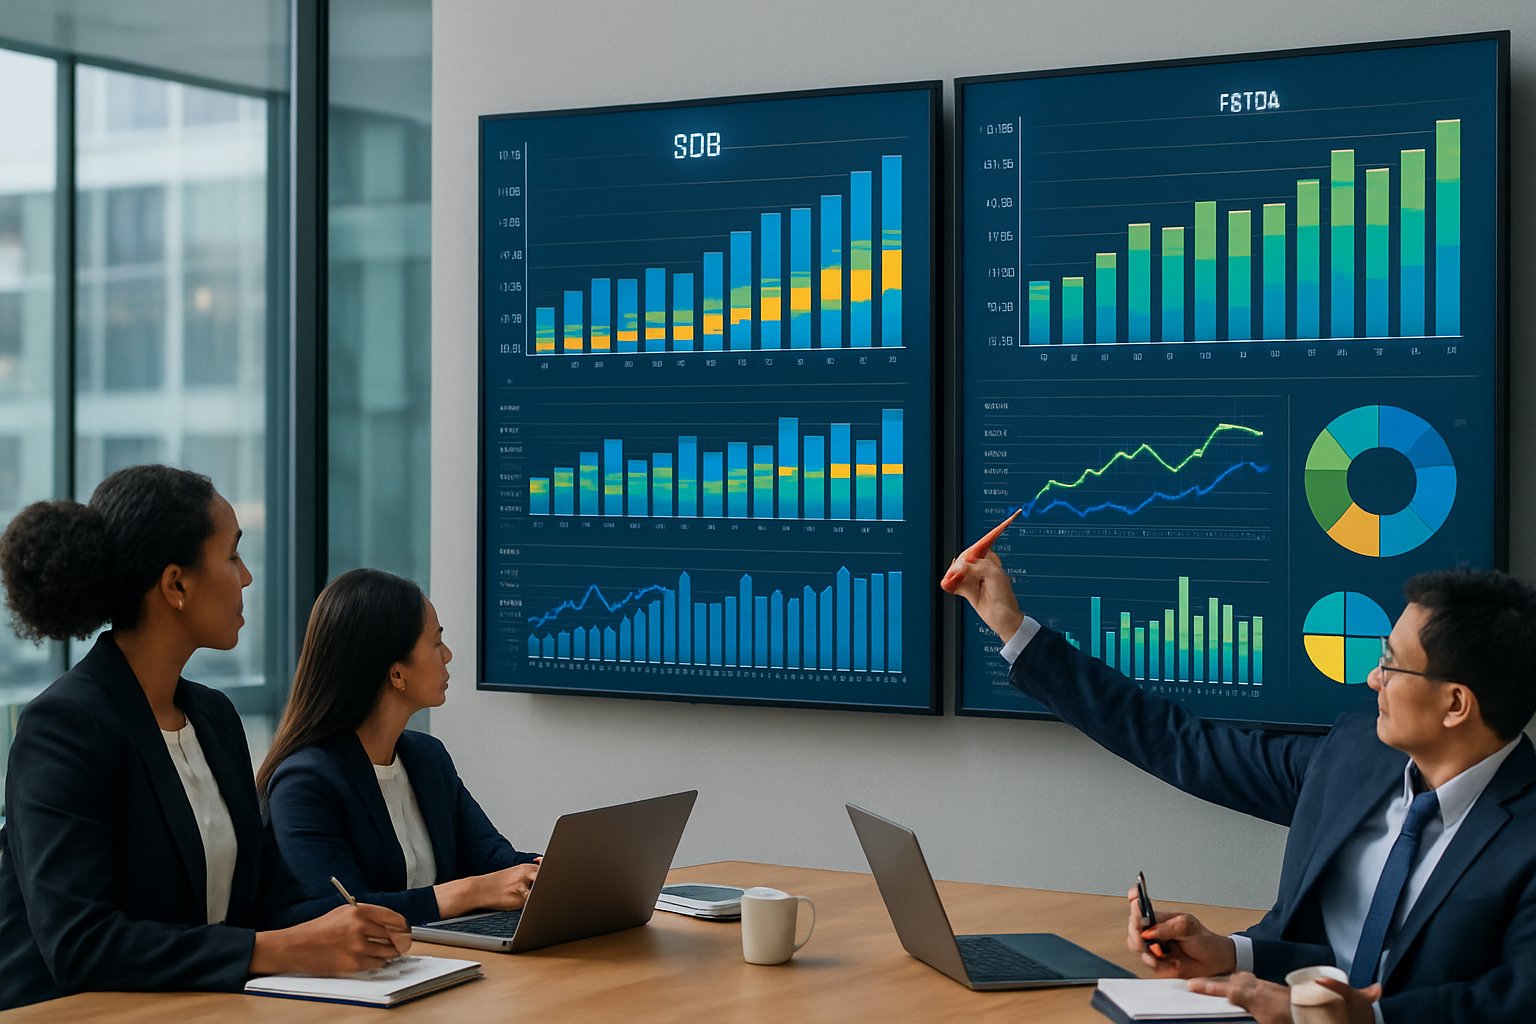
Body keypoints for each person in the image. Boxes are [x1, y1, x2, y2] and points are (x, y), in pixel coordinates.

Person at [946, 552, 1536, 1024]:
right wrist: (1234, 954)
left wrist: (1371, 1017)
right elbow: (1179, 743)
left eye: (1392, 663)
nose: (1371, 677)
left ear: (1456, 704)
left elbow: (1514, 1005)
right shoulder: (1353, 757)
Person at [0, 465, 411, 1011]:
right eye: (233, 555)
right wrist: (277, 949)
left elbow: (270, 900)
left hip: (202, 1009)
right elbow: (82, 944)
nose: (246, 578)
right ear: (176, 584)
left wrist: (359, 927)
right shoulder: (64, 727)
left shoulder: (215, 717)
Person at [259, 568, 540, 926]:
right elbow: (344, 912)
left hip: (434, 961)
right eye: (437, 643)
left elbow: (494, 859)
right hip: (357, 976)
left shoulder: (427, 758)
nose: (448, 655)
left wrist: (551, 870)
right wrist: (469, 892)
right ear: (396, 674)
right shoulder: (305, 782)